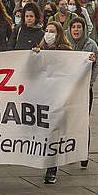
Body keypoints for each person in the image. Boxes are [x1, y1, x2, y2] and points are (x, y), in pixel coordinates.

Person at [32, 19, 73, 183]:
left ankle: (52, 169)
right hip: (42, 97)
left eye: (52, 31)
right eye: (47, 31)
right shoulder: (40, 50)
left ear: (59, 34)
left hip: (58, 97)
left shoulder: (65, 50)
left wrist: (87, 60)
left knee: (54, 132)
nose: (49, 34)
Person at [67, 15, 98, 169]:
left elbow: (96, 66)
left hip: (85, 90)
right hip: (67, 90)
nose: (76, 30)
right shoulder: (65, 44)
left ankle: (84, 153)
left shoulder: (91, 45)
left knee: (83, 121)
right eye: (74, 27)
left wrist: (90, 84)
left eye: (79, 27)